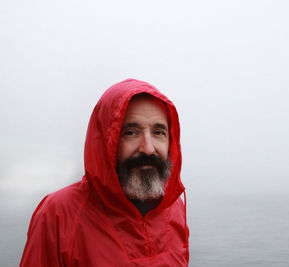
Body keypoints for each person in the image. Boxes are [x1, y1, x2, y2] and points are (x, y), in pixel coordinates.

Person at [20, 79, 189, 266]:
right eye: (131, 132)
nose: (148, 148)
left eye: (158, 132)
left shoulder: (173, 208)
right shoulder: (59, 214)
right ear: (105, 140)